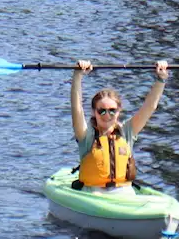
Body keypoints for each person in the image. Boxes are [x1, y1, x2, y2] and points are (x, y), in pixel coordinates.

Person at [70, 59, 170, 192]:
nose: (107, 115)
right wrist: (78, 76)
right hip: (94, 193)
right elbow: (76, 108)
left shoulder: (127, 131)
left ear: (119, 111)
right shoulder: (86, 136)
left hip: (123, 191)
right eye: (102, 111)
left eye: (112, 110)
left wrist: (161, 79)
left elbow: (150, 106)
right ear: (94, 112)